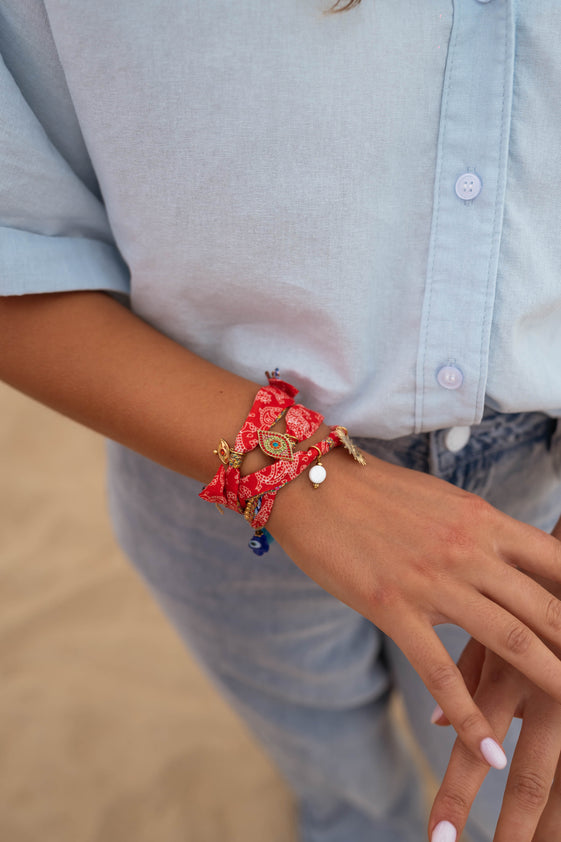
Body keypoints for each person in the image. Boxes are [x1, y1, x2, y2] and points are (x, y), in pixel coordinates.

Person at [1, 1, 561, 840]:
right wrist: (297, 475)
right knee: (321, 749)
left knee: (499, 783)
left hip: (534, 493)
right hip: (208, 466)